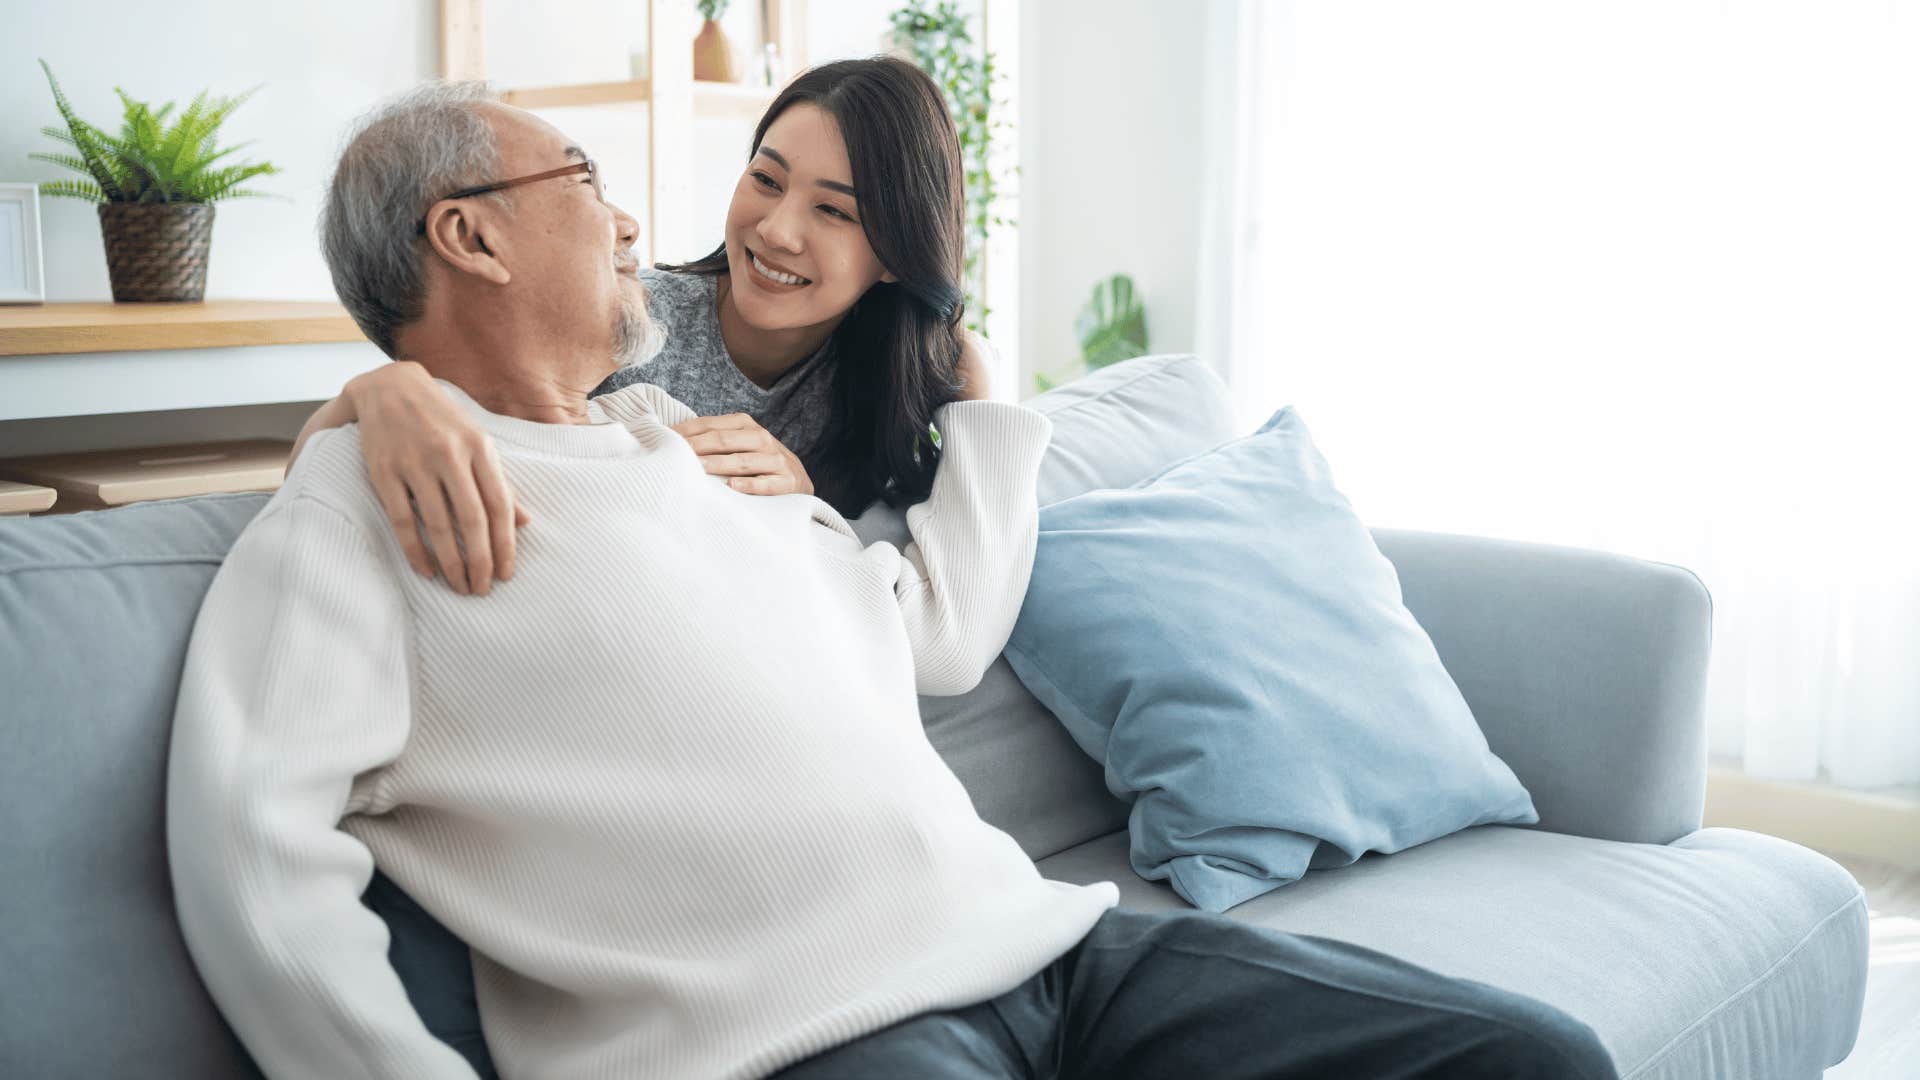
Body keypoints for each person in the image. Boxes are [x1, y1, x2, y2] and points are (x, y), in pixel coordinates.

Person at [166, 83, 1620, 1080]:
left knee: (1538, 1058)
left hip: (1057, 952)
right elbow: (253, 852)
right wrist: (371, 401)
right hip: (814, 1038)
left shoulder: (685, 451)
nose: (628, 222)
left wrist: (965, 421)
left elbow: (909, 635)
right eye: (587, 180)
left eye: (844, 211)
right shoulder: (362, 512)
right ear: (469, 236)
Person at [289, 57, 996, 598]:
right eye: (766, 180)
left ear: (896, 258)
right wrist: (379, 392)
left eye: (834, 212)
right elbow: (342, 475)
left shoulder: (903, 379)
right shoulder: (622, 321)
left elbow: (934, 605)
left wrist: (810, 512)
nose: (777, 231)